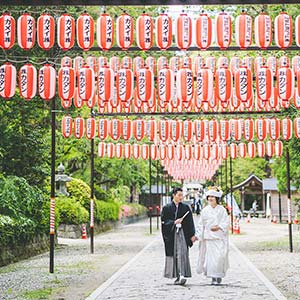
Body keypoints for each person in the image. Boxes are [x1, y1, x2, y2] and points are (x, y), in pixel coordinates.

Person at [161, 187, 196, 285]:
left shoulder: (185, 208)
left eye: (182, 195)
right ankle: (176, 276)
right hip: (172, 234)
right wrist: (173, 222)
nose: (181, 197)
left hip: (183, 234)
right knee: (175, 254)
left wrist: (192, 235)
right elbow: (164, 222)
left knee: (183, 253)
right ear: (174, 195)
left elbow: (190, 223)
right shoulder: (167, 208)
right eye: (179, 195)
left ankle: (183, 274)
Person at [195, 186, 229, 285]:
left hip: (219, 237)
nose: (210, 199)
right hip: (209, 238)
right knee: (210, 259)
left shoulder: (222, 210)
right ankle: (213, 277)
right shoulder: (205, 210)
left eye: (213, 197)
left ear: (216, 199)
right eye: (209, 197)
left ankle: (219, 275)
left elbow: (226, 222)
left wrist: (219, 227)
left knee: (219, 257)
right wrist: (199, 236)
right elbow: (201, 224)